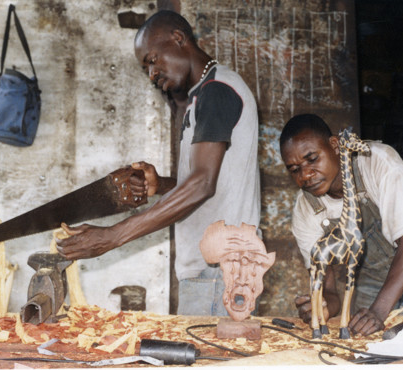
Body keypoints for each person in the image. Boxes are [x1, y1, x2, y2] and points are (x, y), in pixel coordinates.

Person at [56, 10, 261, 316]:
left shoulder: (217, 91)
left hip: (220, 272)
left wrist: (113, 236)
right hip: (209, 270)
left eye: (152, 60)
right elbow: (211, 182)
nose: (151, 74)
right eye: (145, 69)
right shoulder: (201, 97)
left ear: (178, 38)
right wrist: (160, 185)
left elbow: (202, 185)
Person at [279, 113, 403, 336]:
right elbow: (330, 291)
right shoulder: (306, 209)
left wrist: (378, 311)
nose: (305, 174)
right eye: (294, 169)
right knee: (369, 354)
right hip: (370, 284)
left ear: (334, 145)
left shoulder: (376, 162)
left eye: (312, 159)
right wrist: (323, 308)